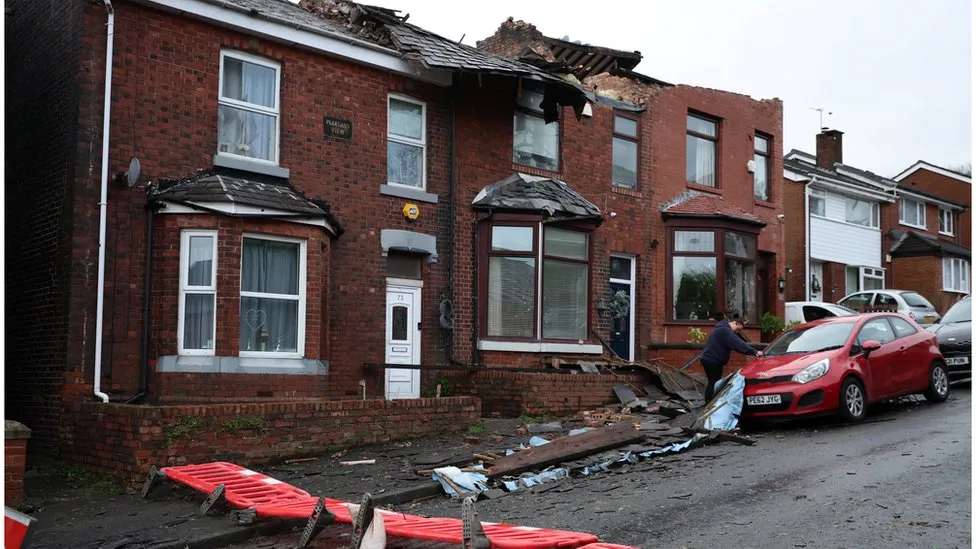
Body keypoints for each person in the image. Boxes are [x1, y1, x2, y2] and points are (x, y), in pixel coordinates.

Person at [700, 314, 763, 404]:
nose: (737, 332)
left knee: (713, 381)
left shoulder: (721, 328)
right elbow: (738, 344)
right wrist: (754, 352)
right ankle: (710, 403)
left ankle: (710, 402)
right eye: (738, 329)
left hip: (709, 358)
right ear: (734, 323)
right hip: (713, 360)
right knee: (714, 382)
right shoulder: (725, 331)